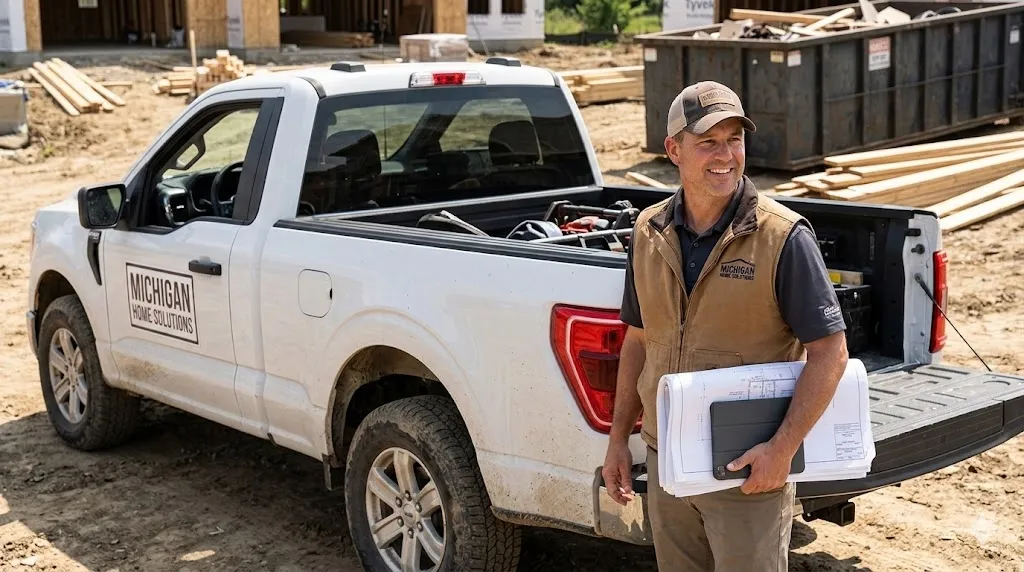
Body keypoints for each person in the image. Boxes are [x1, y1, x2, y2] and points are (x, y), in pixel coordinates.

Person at [601, 81, 850, 571]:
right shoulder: (648, 231)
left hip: (746, 472)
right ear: (673, 150)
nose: (725, 155)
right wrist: (617, 441)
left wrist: (781, 450)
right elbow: (637, 339)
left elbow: (830, 352)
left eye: (734, 139)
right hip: (667, 461)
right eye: (708, 142)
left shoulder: (783, 237)